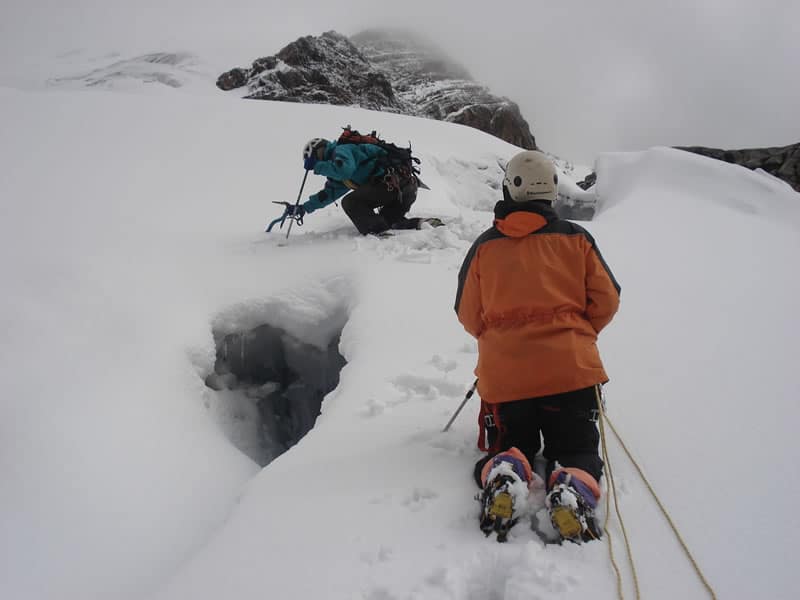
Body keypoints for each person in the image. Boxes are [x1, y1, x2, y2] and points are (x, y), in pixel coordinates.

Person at [454, 150, 621, 542]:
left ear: (511, 189)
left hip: (506, 381)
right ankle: (571, 487)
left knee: (512, 444)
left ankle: (507, 471)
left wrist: (499, 341)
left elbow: (467, 313)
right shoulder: (577, 239)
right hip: (572, 373)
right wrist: (578, 335)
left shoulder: (484, 246)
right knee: (577, 450)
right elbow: (607, 300)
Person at [285, 136, 442, 236]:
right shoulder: (339, 175)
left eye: (315, 157)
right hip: (406, 188)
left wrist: (318, 167)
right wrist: (304, 208)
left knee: (350, 202)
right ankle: (421, 223)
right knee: (390, 222)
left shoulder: (341, 150)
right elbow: (328, 194)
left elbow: (344, 170)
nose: (315, 163)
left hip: (389, 185)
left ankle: (378, 233)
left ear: (321, 149)